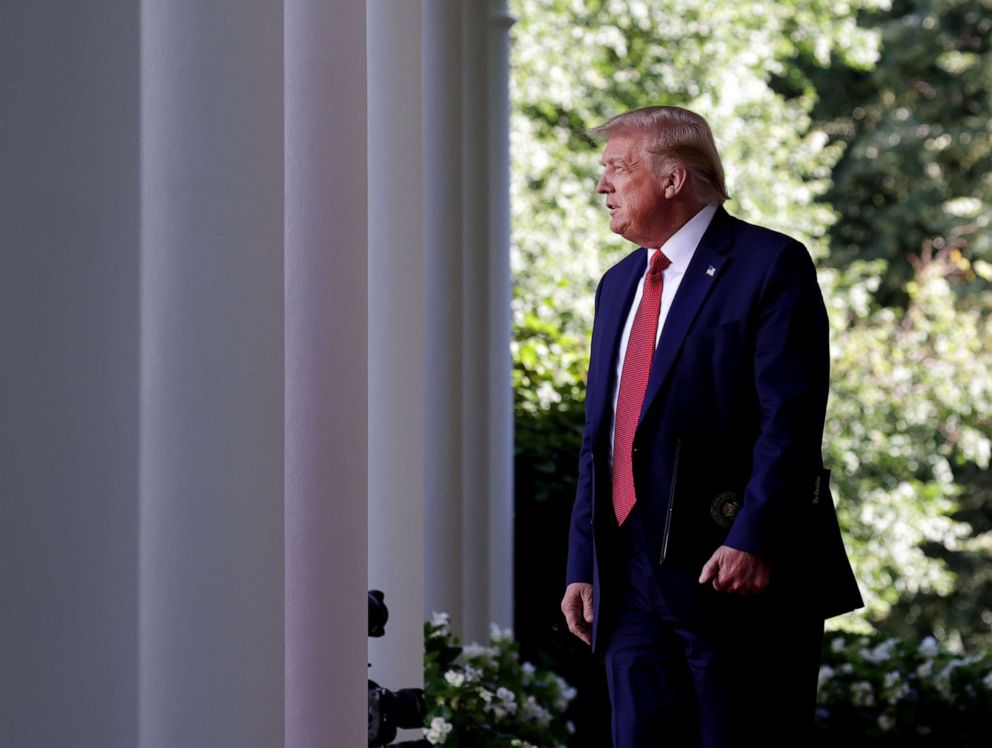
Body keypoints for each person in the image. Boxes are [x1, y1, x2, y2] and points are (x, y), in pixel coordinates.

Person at [560, 106, 862, 747]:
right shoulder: (617, 286)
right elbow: (604, 437)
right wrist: (583, 564)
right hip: (629, 579)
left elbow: (792, 419)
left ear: (673, 179)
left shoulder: (770, 264)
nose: (601, 184)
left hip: (732, 572)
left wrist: (754, 537)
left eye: (617, 167)